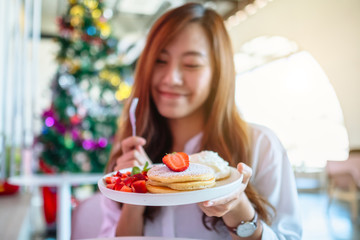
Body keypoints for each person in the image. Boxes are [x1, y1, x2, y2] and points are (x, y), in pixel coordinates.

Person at [98, 3, 302, 239]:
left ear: (218, 73)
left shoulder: (260, 144)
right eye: (160, 61)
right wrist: (136, 195)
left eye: (191, 64)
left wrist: (239, 210)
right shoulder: (131, 151)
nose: (171, 78)